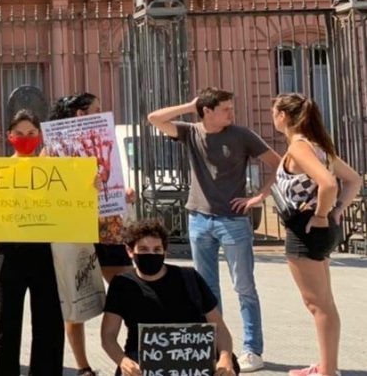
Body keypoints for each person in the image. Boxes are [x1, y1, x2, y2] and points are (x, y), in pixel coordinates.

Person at [148, 87, 281, 372]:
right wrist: (190, 105)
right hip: (198, 218)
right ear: (207, 111)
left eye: (231, 108)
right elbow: (154, 118)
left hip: (233, 220)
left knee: (244, 287)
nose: (232, 113)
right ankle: (217, 349)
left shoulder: (242, 135)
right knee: (207, 290)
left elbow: (278, 165)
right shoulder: (190, 131)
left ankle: (252, 350)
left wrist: (258, 196)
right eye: (225, 109)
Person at [269, 94, 362, 376]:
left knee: (317, 305)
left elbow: (328, 183)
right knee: (324, 303)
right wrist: (335, 212)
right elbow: (354, 179)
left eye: (274, 112)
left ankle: (328, 371)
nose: (273, 117)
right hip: (317, 229)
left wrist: (323, 215)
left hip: (305, 230)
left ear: (283, 116)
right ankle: (327, 366)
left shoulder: (299, 148)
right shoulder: (317, 146)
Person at [0, 110, 63, 376]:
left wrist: (90, 187)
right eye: (19, 133)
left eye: (31, 133)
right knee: (5, 326)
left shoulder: (55, 171)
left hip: (45, 256)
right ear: (10, 137)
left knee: (49, 324)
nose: (25, 138)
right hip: (7, 257)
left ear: (39, 136)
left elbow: (68, 206)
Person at [51, 93, 136, 376]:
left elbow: (112, 177)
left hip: (108, 228)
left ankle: (133, 353)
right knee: (76, 301)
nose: (102, 113)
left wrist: (121, 194)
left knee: (129, 288)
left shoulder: (103, 140)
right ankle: (83, 367)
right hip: (74, 232)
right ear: (79, 114)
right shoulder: (51, 148)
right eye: (97, 110)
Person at [100, 219, 238, 376]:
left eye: (157, 249)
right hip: (142, 361)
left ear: (165, 252)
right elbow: (108, 335)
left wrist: (226, 359)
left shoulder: (189, 278)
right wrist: (123, 361)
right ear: (130, 251)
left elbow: (219, 327)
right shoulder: (122, 285)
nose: (151, 254)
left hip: (196, 359)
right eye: (143, 250)